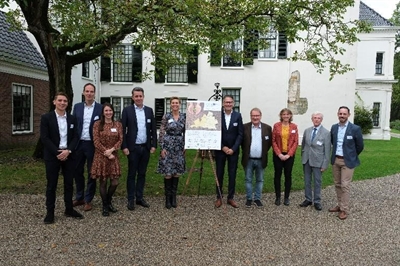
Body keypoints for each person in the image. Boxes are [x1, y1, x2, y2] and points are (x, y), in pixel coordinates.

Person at [40, 92, 83, 224]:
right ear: (54, 102)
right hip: (53, 155)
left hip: (69, 155)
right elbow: (44, 138)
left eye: (65, 101)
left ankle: (69, 209)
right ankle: (50, 212)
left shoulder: (72, 119)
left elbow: (76, 136)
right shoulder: (46, 118)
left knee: (69, 184)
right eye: (60, 100)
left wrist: (68, 151)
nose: (62, 103)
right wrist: (57, 152)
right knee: (51, 185)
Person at [121, 87, 157, 210]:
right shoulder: (127, 111)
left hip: (145, 147)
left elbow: (153, 129)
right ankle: (130, 199)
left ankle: (139, 197)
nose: (138, 98)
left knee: (142, 173)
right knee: (132, 174)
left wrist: (153, 145)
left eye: (140, 96)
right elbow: (122, 130)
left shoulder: (149, 111)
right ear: (132, 97)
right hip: (132, 148)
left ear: (143, 96)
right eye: (136, 96)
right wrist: (124, 146)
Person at [329, 106, 364, 220]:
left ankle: (344, 209)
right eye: (340, 113)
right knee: (337, 184)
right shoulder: (334, 128)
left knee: (345, 185)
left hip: (348, 161)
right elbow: (332, 142)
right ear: (337, 114)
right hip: (336, 160)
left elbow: (360, 146)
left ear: (349, 115)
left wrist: (352, 155)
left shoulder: (355, 128)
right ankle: (339, 205)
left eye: (344, 114)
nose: (342, 116)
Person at [72, 83, 102, 212]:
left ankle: (88, 199)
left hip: (92, 145)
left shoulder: (100, 108)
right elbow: (73, 124)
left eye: (91, 91)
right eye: (87, 91)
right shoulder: (77, 107)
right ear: (83, 93)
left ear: (94, 93)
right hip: (78, 144)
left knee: (91, 172)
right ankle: (80, 197)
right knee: (77, 171)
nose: (89, 94)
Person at [91, 103, 123, 216]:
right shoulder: (97, 124)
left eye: (110, 110)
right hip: (101, 156)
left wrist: (112, 150)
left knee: (114, 182)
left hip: (113, 155)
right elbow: (96, 141)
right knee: (103, 181)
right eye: (106, 111)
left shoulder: (118, 124)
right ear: (103, 112)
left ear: (113, 112)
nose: (108, 112)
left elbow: (120, 139)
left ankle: (108, 201)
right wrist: (106, 152)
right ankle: (105, 205)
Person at [214, 95, 243, 208]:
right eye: (226, 102)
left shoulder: (237, 116)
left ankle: (230, 198)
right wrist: (222, 147)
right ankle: (219, 197)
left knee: (232, 174)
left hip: (233, 151)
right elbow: (214, 132)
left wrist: (233, 148)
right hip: (220, 150)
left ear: (233, 104)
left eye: (230, 102)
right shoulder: (217, 116)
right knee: (219, 174)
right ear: (223, 103)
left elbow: (240, 134)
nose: (228, 104)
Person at [157, 97, 186, 209]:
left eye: (177, 103)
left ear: (180, 104)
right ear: (170, 105)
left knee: (176, 172)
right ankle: (167, 198)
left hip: (179, 146)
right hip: (168, 146)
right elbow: (162, 131)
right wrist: (162, 147)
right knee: (168, 173)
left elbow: (186, 131)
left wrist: (186, 145)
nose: (175, 105)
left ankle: (174, 197)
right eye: (173, 103)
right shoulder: (166, 116)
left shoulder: (184, 117)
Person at [299, 112, 331, 211]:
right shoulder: (307, 131)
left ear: (321, 120)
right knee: (307, 181)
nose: (316, 120)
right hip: (307, 160)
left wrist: (325, 164)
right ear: (312, 119)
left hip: (318, 161)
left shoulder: (326, 133)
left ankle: (317, 201)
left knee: (317, 182)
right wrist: (303, 156)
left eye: (318, 118)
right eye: (314, 118)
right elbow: (304, 145)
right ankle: (308, 199)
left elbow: (327, 150)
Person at [241, 108, 272, 207]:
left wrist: (262, 152)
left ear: (260, 116)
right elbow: (242, 142)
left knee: (260, 180)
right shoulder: (244, 127)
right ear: (250, 116)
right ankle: (249, 199)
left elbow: (269, 143)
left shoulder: (267, 128)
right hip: (248, 159)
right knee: (248, 180)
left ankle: (257, 199)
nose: (255, 117)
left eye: (257, 115)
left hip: (261, 159)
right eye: (253, 116)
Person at [272, 108, 298, 206]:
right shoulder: (276, 126)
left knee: (288, 175)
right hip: (278, 155)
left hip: (289, 156)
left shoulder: (294, 126)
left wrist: (288, 154)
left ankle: (286, 197)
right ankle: (278, 197)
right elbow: (273, 141)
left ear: (290, 116)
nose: (286, 116)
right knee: (277, 175)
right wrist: (279, 154)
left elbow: (295, 142)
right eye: (284, 114)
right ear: (281, 116)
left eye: (287, 114)